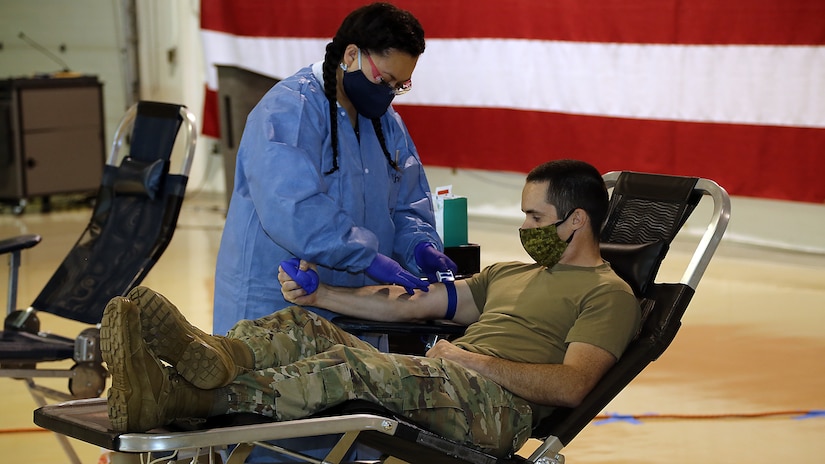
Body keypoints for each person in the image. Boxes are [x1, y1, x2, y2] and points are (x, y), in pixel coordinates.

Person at [102, 160, 641, 458]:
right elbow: (416, 305)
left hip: (495, 408)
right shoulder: (511, 275)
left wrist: (477, 363)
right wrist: (322, 298)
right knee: (303, 326)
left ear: (576, 222)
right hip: (444, 378)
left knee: (355, 370)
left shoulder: (607, 294)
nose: (524, 228)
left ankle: (184, 393)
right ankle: (211, 355)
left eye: (535, 217)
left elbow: (573, 386)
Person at [213, 2, 455, 337]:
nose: (389, 95)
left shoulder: (387, 126)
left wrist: (420, 246)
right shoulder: (288, 111)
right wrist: (365, 257)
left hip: (356, 309)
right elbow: (293, 207)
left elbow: (406, 203)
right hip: (278, 307)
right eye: (384, 80)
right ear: (352, 55)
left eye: (400, 86)